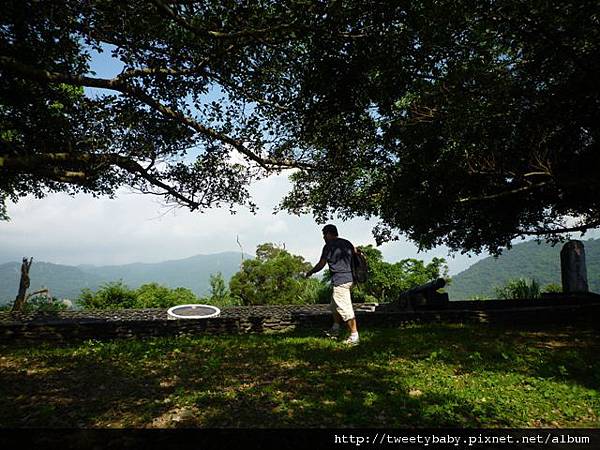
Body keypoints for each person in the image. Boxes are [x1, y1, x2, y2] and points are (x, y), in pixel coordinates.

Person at [305, 224, 359, 345]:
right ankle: (335, 329)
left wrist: (310, 272)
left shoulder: (329, 246)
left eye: (324, 234)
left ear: (329, 234)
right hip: (350, 278)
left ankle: (354, 336)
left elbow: (321, 264)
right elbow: (355, 253)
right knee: (334, 306)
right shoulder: (347, 243)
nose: (323, 237)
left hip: (341, 280)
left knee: (345, 308)